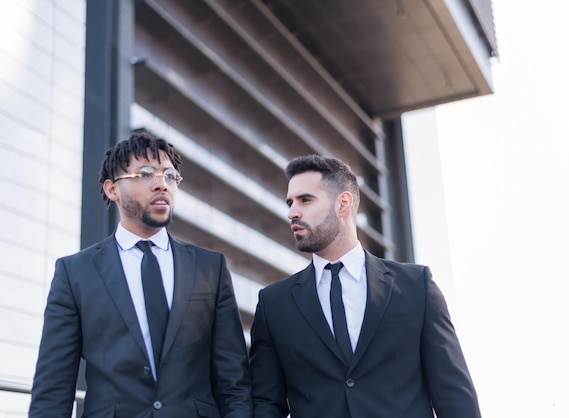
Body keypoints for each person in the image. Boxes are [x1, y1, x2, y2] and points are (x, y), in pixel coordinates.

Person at [29, 132, 252, 417]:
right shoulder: (74, 273)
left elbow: (234, 381)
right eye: (145, 174)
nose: (162, 184)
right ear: (112, 189)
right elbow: (53, 386)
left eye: (171, 176)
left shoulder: (211, 268)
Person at [249, 155, 481, 418]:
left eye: (305, 200)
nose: (292, 212)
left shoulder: (416, 287)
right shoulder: (274, 304)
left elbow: (454, 394)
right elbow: (266, 403)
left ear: (343, 203)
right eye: (290, 202)